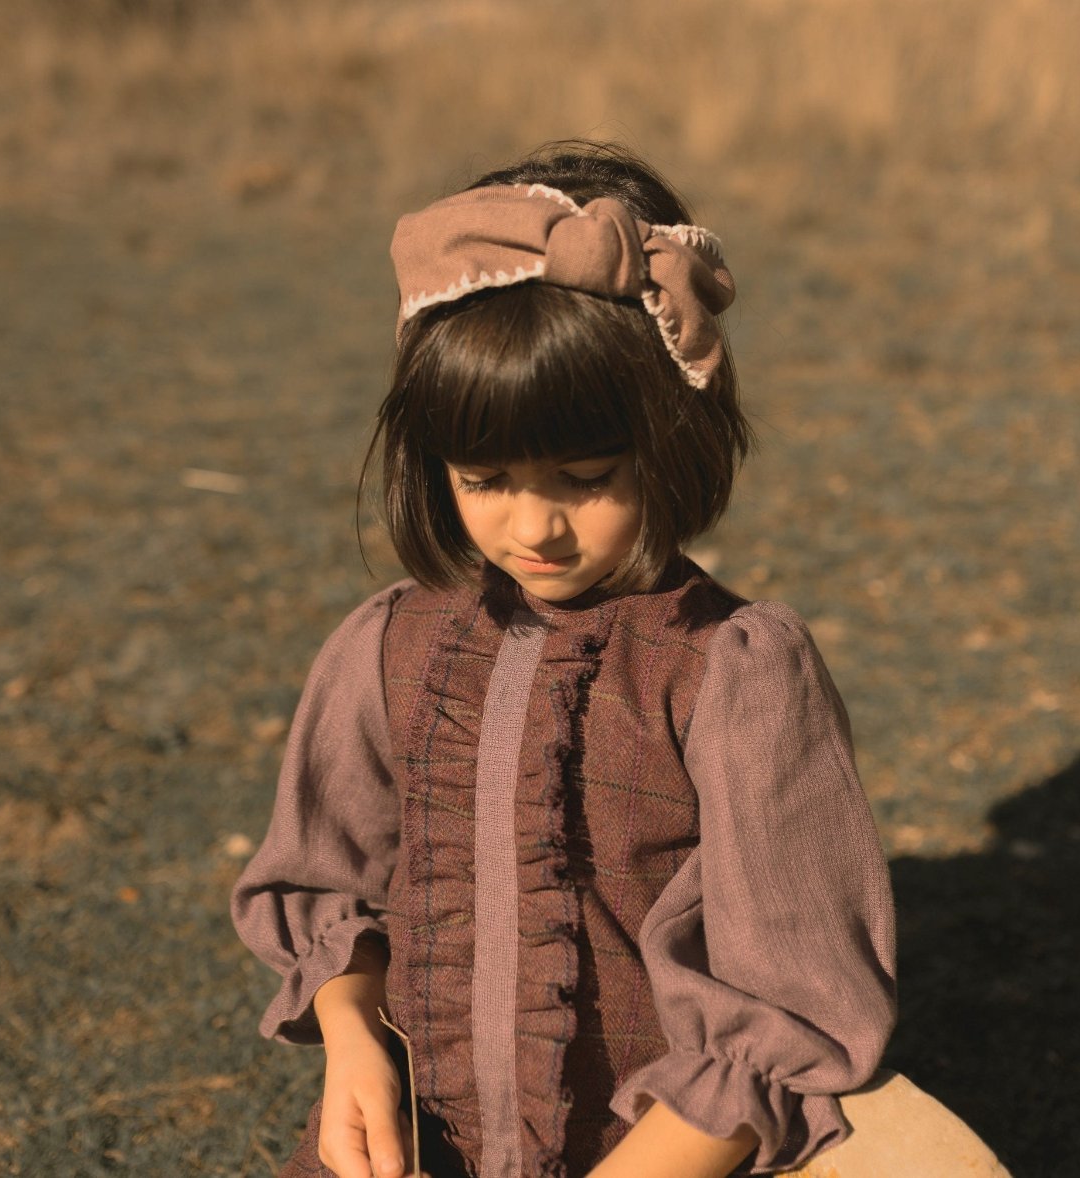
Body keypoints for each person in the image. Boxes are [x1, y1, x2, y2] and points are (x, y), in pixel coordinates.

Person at [232, 141, 897, 1178]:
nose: (534, 526)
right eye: (484, 475)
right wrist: (353, 1039)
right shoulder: (387, 646)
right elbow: (326, 887)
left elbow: (789, 1003)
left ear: (669, 439)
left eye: (584, 475)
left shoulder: (735, 670)